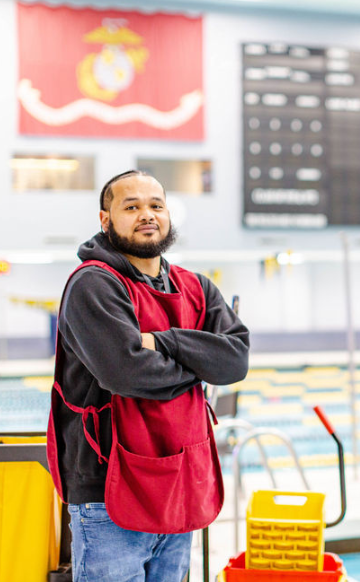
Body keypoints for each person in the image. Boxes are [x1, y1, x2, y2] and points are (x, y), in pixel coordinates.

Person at [46, 170, 250, 582]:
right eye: (131, 206)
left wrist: (164, 341)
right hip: (107, 489)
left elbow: (235, 361)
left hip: (179, 481)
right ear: (105, 220)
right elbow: (128, 372)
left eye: (156, 205)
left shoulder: (197, 287)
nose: (147, 215)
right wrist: (199, 363)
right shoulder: (94, 285)